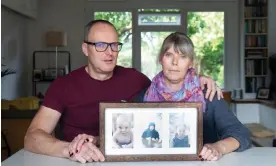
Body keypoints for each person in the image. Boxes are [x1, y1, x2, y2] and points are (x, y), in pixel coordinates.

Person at [24, 19, 223, 163]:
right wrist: (69, 149)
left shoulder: (135, 79)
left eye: (114, 45)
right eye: (101, 45)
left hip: (127, 161)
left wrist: (197, 79)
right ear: (86, 49)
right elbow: (32, 136)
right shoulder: (63, 85)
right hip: (78, 161)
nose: (109, 52)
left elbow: (168, 85)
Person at [136, 32, 251, 161]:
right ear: (160, 59)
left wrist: (218, 147)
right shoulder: (144, 97)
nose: (175, 62)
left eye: (182, 57)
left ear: (190, 63)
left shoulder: (208, 95)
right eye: (169, 55)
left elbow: (241, 134)